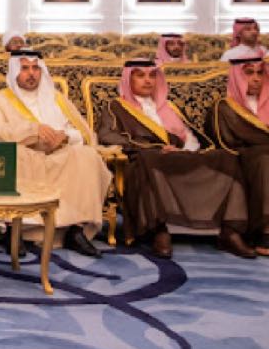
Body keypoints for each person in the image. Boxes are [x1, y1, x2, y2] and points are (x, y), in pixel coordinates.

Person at [97, 58, 255, 259]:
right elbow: (107, 135)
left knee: (227, 158)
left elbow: (190, 138)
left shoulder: (168, 107)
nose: (148, 80)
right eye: (141, 75)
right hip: (149, 157)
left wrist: (185, 149)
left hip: (180, 155)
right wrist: (154, 146)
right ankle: (160, 230)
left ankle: (230, 232)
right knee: (149, 160)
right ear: (129, 79)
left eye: (152, 75)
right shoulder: (116, 106)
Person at [0, 50, 112, 256]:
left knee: (86, 156)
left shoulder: (56, 98)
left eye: (36, 68)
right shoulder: (0, 99)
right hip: (23, 153)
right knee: (10, 155)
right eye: (25, 68)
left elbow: (83, 132)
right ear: (15, 71)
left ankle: (74, 230)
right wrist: (32, 131)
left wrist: (65, 136)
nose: (31, 73)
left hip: (57, 155)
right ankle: (13, 230)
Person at [210, 55, 269, 256]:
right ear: (236, 76)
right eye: (249, 73)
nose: (256, 78)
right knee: (265, 159)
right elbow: (225, 140)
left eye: (260, 73)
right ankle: (264, 231)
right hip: (246, 156)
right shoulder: (224, 107)